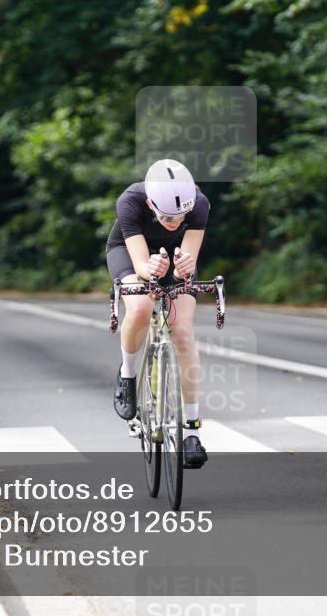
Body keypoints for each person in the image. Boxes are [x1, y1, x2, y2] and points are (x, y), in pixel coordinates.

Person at [105, 159, 210, 468]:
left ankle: (191, 430)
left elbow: (187, 260)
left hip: (174, 257)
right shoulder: (131, 201)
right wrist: (150, 270)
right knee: (139, 306)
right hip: (130, 253)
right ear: (151, 204)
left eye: (180, 217)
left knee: (182, 330)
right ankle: (127, 375)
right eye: (166, 216)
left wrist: (183, 267)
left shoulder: (199, 204)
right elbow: (140, 264)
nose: (174, 222)